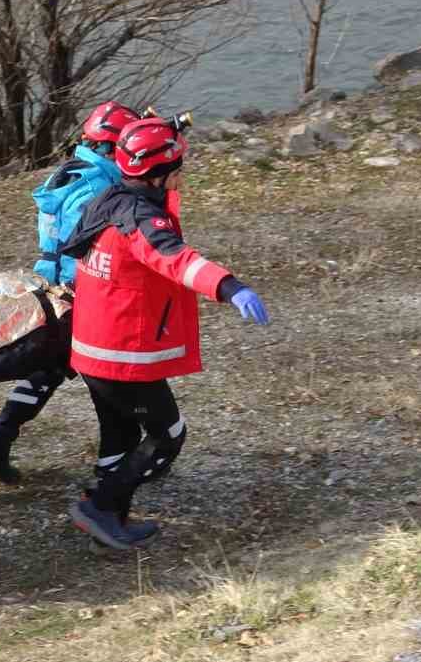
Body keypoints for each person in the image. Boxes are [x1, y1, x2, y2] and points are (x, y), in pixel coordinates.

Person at [60, 116, 271, 550]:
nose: (182, 176)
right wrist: (230, 287)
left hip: (93, 346)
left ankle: (110, 520)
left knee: (120, 436)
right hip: (124, 353)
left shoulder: (110, 198)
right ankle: (99, 506)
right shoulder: (141, 218)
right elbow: (175, 258)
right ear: (159, 175)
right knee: (167, 436)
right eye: (178, 168)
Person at [0, 101, 146, 485]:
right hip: (81, 290)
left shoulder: (69, 174)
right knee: (103, 377)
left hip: (52, 282)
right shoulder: (100, 186)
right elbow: (96, 245)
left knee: (48, 367)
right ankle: (115, 463)